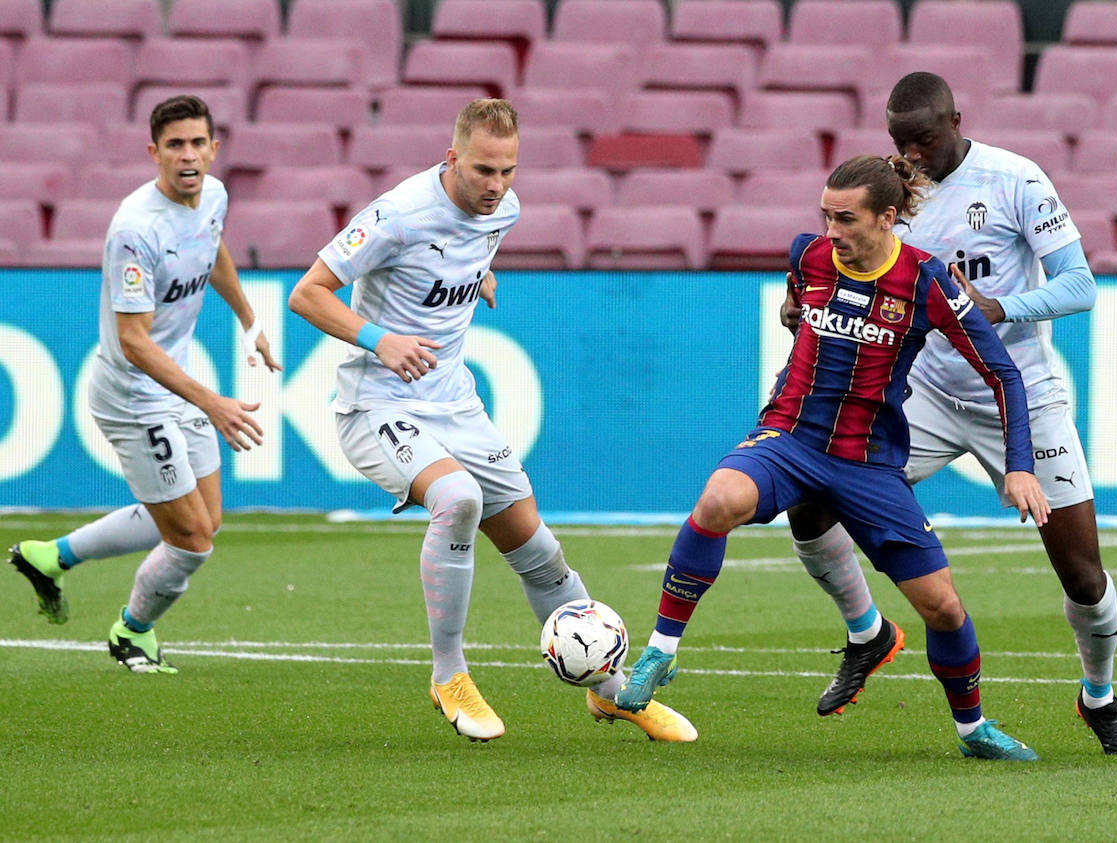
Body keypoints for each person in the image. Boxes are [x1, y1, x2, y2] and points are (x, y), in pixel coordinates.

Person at [615, 154, 1050, 761]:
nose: (831, 232)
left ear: (887, 218)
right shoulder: (809, 255)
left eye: (845, 219)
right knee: (718, 501)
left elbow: (1003, 374)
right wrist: (793, 315)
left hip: (868, 461)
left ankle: (973, 730)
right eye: (825, 216)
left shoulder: (928, 282)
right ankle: (661, 650)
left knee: (943, 608)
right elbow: (798, 306)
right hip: (790, 437)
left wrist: (1020, 465)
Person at [287, 98, 696, 744]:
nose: (496, 185)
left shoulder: (502, 210)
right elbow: (306, 292)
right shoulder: (397, 214)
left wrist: (477, 275)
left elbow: (457, 252)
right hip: (378, 403)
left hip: (454, 401)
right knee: (457, 498)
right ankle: (448, 673)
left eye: (507, 170)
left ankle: (612, 692)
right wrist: (379, 338)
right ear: (451, 158)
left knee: (536, 547)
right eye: (482, 170)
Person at [784, 72, 1117, 756]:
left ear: (955, 119)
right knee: (808, 500)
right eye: (900, 142)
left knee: (1082, 575)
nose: (912, 154)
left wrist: (999, 308)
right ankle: (866, 632)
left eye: (922, 139)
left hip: (1019, 396)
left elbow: (1079, 285)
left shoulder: (1015, 179)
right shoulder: (891, 198)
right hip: (920, 394)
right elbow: (846, 265)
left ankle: (1099, 697)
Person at [9, 95, 281, 673]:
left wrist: (250, 318)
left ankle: (49, 557)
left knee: (206, 521)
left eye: (198, 143)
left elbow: (214, 249)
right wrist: (213, 404)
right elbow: (134, 340)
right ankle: (132, 633)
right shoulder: (134, 230)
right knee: (190, 541)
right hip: (134, 396)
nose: (188, 156)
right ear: (154, 152)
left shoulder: (214, 195)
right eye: (175, 145)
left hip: (176, 382)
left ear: (214, 147)